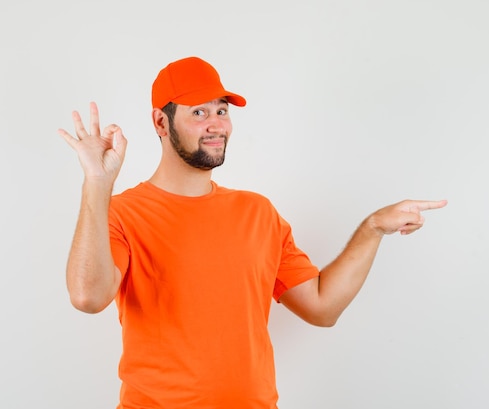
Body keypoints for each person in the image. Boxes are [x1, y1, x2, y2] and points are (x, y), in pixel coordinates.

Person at [58, 56, 447, 409]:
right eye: (199, 112)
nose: (216, 124)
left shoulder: (258, 212)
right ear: (161, 122)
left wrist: (372, 228)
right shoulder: (123, 212)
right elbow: (88, 297)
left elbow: (322, 307)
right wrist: (97, 181)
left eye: (222, 111)